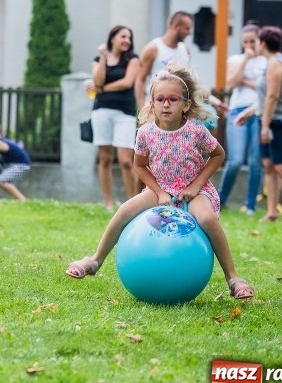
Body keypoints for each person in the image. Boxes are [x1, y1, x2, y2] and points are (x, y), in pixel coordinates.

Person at [66, 63, 254, 300]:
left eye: (173, 99)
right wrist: (159, 192)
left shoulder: (196, 130)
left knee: (206, 218)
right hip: (159, 189)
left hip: (195, 191)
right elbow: (139, 166)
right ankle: (94, 260)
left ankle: (233, 278)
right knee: (125, 210)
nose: (166, 104)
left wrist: (195, 186)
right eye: (160, 99)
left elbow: (218, 155)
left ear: (186, 104)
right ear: (152, 103)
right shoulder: (145, 132)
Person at [238, 26, 282, 224]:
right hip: (266, 119)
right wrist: (248, 113)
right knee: (269, 167)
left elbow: (273, 97)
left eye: (256, 41)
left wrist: (265, 126)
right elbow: (266, 98)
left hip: (279, 121)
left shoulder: (276, 64)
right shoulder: (269, 63)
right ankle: (272, 211)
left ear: (263, 43)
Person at [86, 25, 140, 211]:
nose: (127, 40)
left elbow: (127, 82)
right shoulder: (98, 60)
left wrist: (101, 89)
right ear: (112, 39)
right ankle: (108, 203)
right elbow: (98, 80)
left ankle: (133, 204)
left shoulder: (133, 59)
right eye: (123, 36)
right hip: (101, 111)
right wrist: (103, 57)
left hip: (124, 113)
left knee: (126, 160)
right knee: (105, 159)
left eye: (129, 38)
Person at [217, 22, 267, 215]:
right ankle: (221, 200)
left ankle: (250, 205)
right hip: (237, 111)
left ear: (259, 40)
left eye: (252, 41)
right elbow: (231, 82)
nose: (249, 46)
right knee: (235, 160)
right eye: (245, 42)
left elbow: (267, 88)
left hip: (258, 111)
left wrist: (245, 82)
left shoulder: (266, 61)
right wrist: (245, 61)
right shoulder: (235, 59)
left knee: (256, 160)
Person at [135, 11, 193, 110]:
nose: (189, 33)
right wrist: (142, 111)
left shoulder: (185, 50)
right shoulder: (153, 48)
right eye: (187, 28)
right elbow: (140, 80)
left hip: (178, 109)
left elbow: (188, 81)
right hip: (156, 106)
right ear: (176, 26)